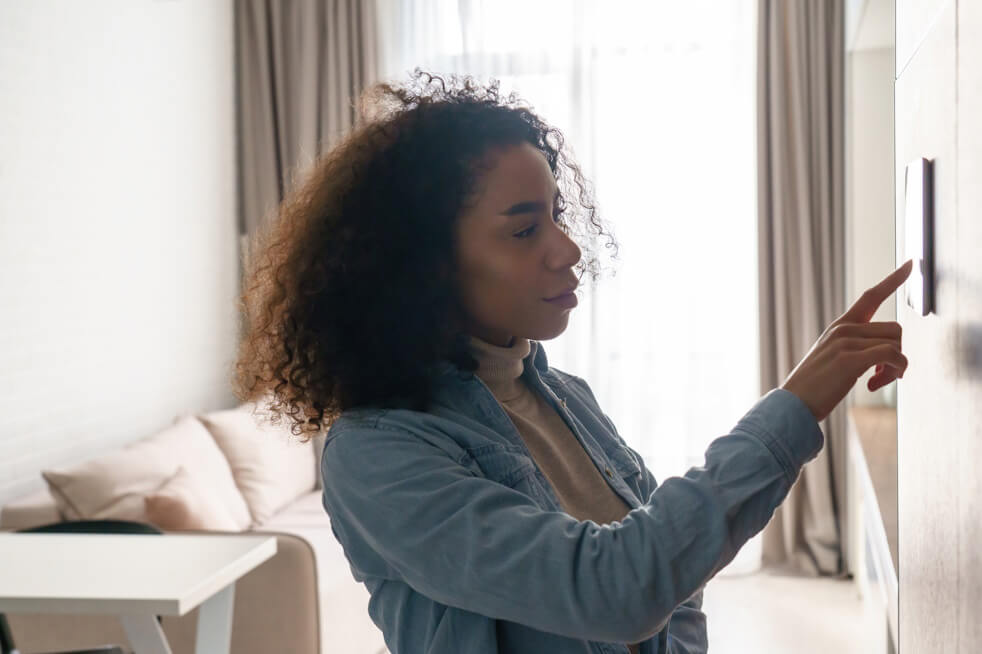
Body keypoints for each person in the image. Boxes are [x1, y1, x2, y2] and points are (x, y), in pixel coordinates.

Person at [232, 70, 912, 654]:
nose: (568, 250)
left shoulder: (566, 396)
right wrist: (792, 408)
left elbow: (676, 578)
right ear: (424, 265)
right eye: (525, 229)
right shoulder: (378, 452)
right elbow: (616, 587)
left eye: (557, 216)